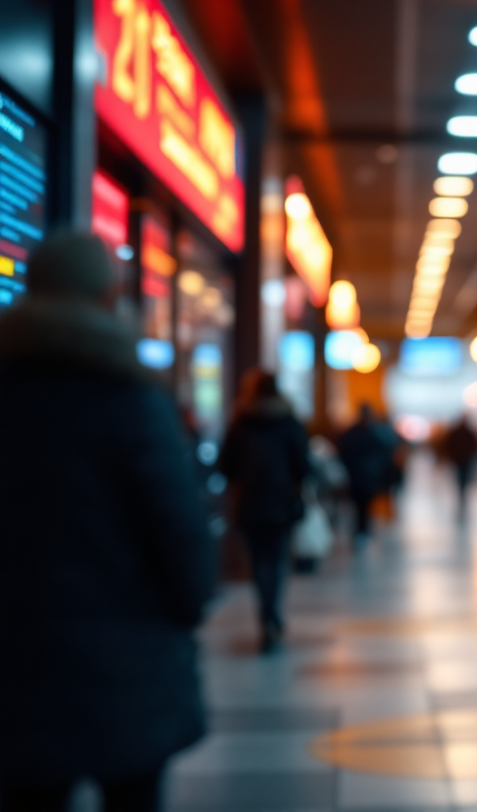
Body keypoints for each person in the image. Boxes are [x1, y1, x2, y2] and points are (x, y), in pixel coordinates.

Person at [0, 232, 215, 811]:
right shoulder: (132, 400)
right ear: (105, 298)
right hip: (126, 653)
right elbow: (176, 527)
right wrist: (190, 602)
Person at [218, 370, 309, 652]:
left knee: (259, 563)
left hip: (249, 502)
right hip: (281, 502)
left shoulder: (241, 422)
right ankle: (272, 615)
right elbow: (303, 465)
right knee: (277, 560)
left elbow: (225, 465)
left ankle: (265, 616)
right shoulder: (288, 422)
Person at [337, 404, 392, 540]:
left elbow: (343, 454)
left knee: (360, 506)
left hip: (359, 475)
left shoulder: (353, 433)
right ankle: (362, 531)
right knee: (363, 506)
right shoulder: (376, 433)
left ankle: (361, 531)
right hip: (365, 475)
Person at [443, 415, 477, 517]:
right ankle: (462, 494)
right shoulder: (468, 432)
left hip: (460, 460)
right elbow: (476, 445)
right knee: (463, 479)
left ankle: (461, 493)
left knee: (461, 479)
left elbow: (449, 444)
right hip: (464, 460)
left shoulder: (459, 432)